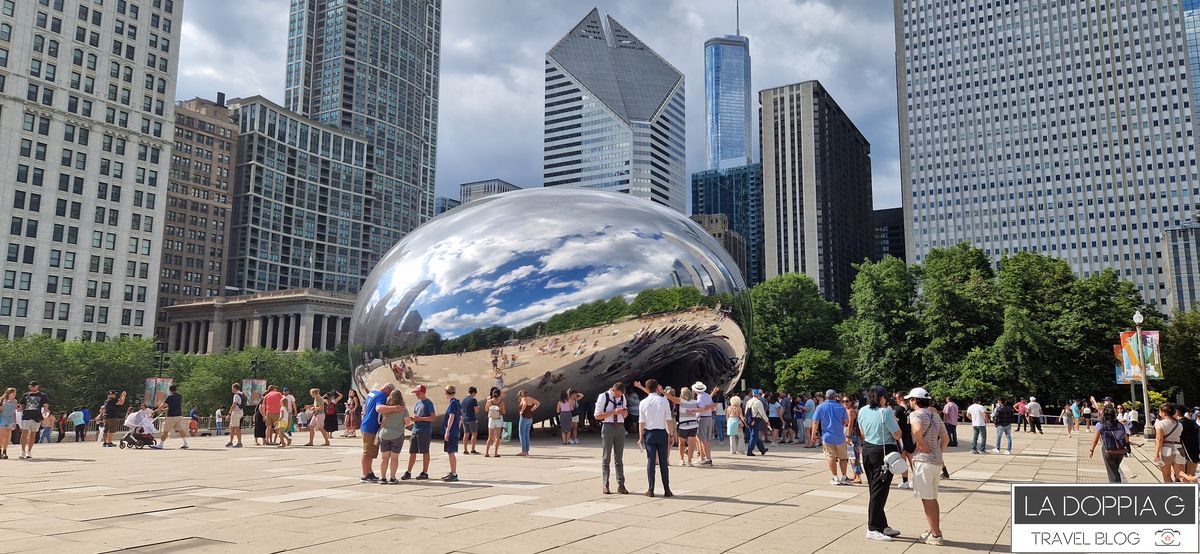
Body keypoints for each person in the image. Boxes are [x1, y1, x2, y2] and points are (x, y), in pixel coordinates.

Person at [859, 386, 902, 542]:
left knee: (875, 489)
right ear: (883, 398)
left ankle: (881, 524)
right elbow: (897, 434)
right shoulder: (885, 412)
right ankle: (872, 528)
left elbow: (862, 432)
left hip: (868, 449)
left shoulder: (862, 410)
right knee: (880, 491)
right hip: (883, 451)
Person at [906, 387, 949, 546]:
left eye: (910, 399)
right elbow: (945, 438)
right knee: (932, 498)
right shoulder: (935, 416)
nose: (909, 402)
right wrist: (938, 452)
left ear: (915, 400)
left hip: (923, 460)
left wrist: (921, 444)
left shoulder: (915, 414)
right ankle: (934, 530)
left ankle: (936, 535)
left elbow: (916, 429)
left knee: (927, 500)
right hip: (936, 462)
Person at [636, 379, 673, 497]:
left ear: (647, 388)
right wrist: (671, 434)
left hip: (650, 434)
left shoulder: (643, 402)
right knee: (663, 462)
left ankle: (651, 489)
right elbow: (669, 420)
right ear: (657, 388)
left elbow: (641, 422)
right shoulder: (663, 401)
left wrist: (641, 437)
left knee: (651, 461)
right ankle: (667, 489)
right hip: (662, 433)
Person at [595, 382, 628, 494]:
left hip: (620, 426)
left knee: (619, 458)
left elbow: (626, 414)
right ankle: (605, 484)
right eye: (618, 395)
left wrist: (624, 412)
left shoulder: (622, 397)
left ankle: (621, 484)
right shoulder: (603, 396)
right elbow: (597, 415)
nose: (619, 397)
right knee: (606, 457)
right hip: (608, 426)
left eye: (621, 395)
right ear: (613, 390)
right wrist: (613, 412)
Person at [811, 388, 850, 485]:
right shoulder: (841, 407)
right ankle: (844, 476)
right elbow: (846, 422)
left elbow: (815, 421)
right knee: (843, 457)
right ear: (835, 396)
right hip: (840, 436)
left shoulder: (820, 407)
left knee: (830, 457)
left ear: (826, 396)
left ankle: (835, 477)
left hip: (827, 436)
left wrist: (813, 434)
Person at [358, 383, 395, 483]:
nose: (389, 396)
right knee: (367, 452)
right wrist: (395, 408)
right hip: (371, 427)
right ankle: (365, 475)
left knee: (369, 451)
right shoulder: (382, 396)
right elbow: (379, 408)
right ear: (387, 389)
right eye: (390, 393)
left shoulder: (372, 393)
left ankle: (369, 472)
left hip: (366, 424)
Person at [402, 384, 436, 481]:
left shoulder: (429, 403)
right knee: (412, 452)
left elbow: (433, 418)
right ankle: (408, 472)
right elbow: (417, 416)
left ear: (423, 392)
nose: (416, 394)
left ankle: (425, 472)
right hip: (415, 430)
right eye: (416, 393)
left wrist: (419, 418)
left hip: (425, 431)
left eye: (418, 393)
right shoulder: (417, 403)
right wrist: (413, 419)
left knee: (425, 451)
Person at [375, 389, 408, 484]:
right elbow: (407, 422)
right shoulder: (403, 409)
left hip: (384, 435)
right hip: (397, 435)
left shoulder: (385, 408)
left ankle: (383, 478)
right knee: (394, 458)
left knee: (384, 458)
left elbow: (380, 420)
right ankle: (392, 478)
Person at [1089, 407, 1128, 482]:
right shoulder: (1119, 424)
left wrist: (1092, 450)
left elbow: (1095, 440)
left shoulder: (1100, 425)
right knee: (1115, 469)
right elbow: (1125, 437)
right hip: (1120, 450)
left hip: (1108, 450)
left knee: (1112, 472)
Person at [1154, 402, 1185, 482]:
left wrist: (1157, 453)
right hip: (1179, 449)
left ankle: (1172, 493)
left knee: (1166, 475)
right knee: (1180, 475)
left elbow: (1159, 439)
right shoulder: (1179, 424)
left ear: (1163, 412)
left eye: (1159, 411)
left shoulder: (1160, 424)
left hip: (1166, 450)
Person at [152, 384, 188, 450]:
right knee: (180, 429)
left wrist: (157, 410)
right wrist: (166, 409)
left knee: (165, 431)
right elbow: (174, 405)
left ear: (170, 390)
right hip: (179, 415)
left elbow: (163, 405)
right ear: (176, 389)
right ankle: (185, 443)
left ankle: (161, 445)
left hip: (171, 416)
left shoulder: (170, 397)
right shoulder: (179, 396)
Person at [441, 385, 462, 482]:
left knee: (451, 453)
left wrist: (447, 431)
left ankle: (454, 474)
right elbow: (460, 417)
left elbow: (451, 417)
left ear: (447, 393)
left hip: (451, 431)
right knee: (451, 452)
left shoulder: (453, 403)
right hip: (455, 430)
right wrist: (458, 428)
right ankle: (452, 472)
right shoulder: (457, 402)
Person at [676, 387, 700, 466]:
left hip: (683, 425)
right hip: (693, 425)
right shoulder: (695, 402)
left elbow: (672, 398)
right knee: (691, 444)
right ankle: (689, 461)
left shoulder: (681, 401)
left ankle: (682, 459)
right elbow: (702, 408)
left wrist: (664, 393)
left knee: (681, 443)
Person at [693, 382, 715, 464]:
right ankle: (706, 457)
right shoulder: (707, 395)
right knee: (707, 440)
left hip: (702, 418)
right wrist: (709, 407)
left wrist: (693, 410)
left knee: (702, 440)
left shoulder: (700, 397)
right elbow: (712, 405)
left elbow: (701, 409)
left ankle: (707, 458)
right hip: (709, 417)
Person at [744, 389, 770, 456]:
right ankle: (750, 451)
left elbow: (746, 412)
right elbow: (762, 413)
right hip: (756, 420)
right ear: (759, 395)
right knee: (754, 435)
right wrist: (767, 420)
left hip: (749, 420)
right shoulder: (758, 402)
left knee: (755, 436)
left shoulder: (749, 401)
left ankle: (762, 449)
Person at [844, 396, 863, 484]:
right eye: (843, 401)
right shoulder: (846, 410)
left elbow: (850, 425)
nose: (845, 403)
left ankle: (858, 476)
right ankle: (855, 474)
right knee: (852, 456)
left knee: (854, 457)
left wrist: (848, 436)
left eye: (847, 401)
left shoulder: (850, 411)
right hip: (850, 435)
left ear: (851, 402)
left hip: (852, 436)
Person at [517, 389, 539, 456]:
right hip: (530, 418)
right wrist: (532, 409)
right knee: (527, 434)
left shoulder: (523, 398)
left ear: (521, 395)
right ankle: (526, 450)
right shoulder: (530, 398)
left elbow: (525, 404)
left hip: (524, 417)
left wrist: (521, 411)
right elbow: (538, 403)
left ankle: (524, 451)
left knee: (522, 434)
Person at [484, 388, 505, 457]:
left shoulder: (489, 401)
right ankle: (495, 453)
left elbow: (486, 409)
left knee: (490, 437)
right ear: (499, 394)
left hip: (491, 419)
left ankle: (486, 453)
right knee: (497, 437)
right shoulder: (501, 402)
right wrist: (499, 411)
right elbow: (503, 412)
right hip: (499, 419)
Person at [226, 383, 248, 448]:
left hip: (236, 412)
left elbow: (234, 405)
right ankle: (230, 442)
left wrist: (229, 414)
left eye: (232, 388)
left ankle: (239, 443)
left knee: (236, 428)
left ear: (234, 388)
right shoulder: (242, 394)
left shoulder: (236, 395)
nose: (231, 389)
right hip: (240, 411)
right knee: (232, 427)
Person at [461, 386, 480, 455]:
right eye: (475, 394)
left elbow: (462, 410)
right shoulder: (473, 400)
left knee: (466, 434)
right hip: (471, 418)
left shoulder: (463, 400)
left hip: (464, 418)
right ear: (473, 393)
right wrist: (478, 408)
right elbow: (476, 410)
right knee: (474, 434)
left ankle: (465, 450)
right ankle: (472, 449)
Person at [0, 388, 14, 459]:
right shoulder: (2, 400)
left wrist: (14, 421)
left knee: (7, 436)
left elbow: (14, 411)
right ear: (8, 393)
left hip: (10, 420)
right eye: (13, 393)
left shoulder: (14, 401)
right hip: (2, 418)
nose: (14, 395)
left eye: (15, 393)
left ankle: (4, 451)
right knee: (1, 436)